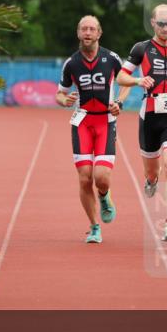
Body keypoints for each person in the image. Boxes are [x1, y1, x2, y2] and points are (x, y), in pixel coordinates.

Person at [116, 4, 167, 242]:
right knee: (152, 172)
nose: (165, 28)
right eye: (160, 23)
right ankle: (151, 180)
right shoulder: (141, 48)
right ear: (152, 22)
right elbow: (121, 76)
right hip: (149, 116)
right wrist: (138, 80)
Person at [56, 15, 125, 244]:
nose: (87, 33)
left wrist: (119, 103)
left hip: (105, 122)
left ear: (99, 33)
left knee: (101, 177)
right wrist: (63, 100)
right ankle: (94, 226)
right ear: (78, 33)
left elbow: (127, 82)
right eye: (83, 29)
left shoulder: (111, 58)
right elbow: (60, 92)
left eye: (91, 29)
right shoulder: (71, 63)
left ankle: (104, 196)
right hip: (83, 123)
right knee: (85, 179)